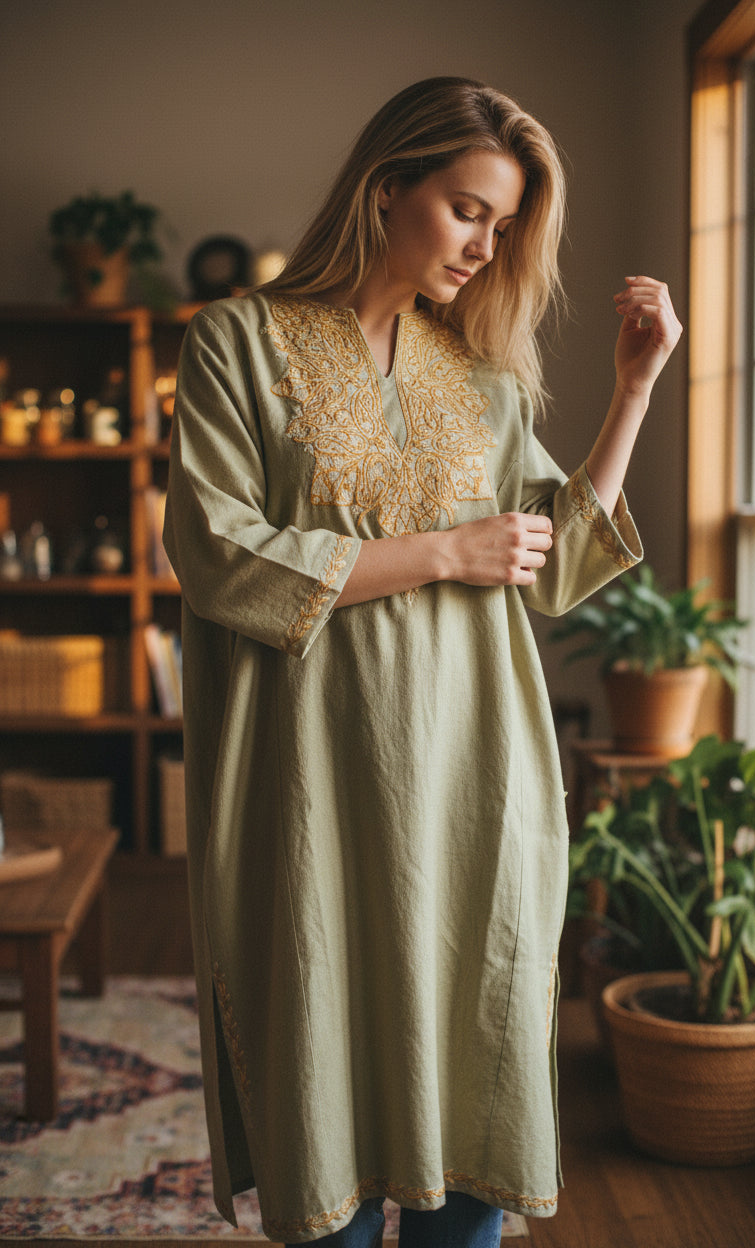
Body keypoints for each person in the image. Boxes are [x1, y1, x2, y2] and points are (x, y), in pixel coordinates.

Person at [163, 76, 682, 1248]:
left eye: (502, 227)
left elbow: (550, 563)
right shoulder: (236, 343)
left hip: (472, 780)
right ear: (385, 187)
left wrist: (635, 388)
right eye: (467, 211)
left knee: (473, 1122)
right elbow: (219, 552)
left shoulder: (479, 377)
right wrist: (444, 548)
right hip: (310, 787)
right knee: (327, 1103)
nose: (484, 246)